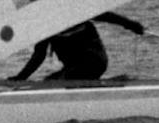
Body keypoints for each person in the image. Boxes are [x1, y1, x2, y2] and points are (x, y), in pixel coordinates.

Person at [11, 11, 144, 81]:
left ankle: (110, 85)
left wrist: (130, 24)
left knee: (60, 83)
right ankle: (108, 83)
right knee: (48, 81)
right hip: (73, 67)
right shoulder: (45, 25)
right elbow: (39, 55)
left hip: (94, 61)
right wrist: (20, 78)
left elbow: (104, 15)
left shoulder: (73, 11)